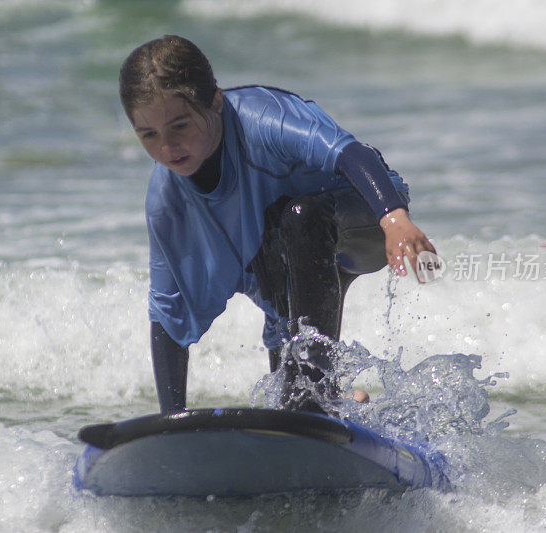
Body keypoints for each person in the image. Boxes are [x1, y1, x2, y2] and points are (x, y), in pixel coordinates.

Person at [119, 35, 437, 415]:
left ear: (216, 102)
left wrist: (394, 217)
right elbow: (168, 315)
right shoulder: (166, 203)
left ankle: (315, 399)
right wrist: (171, 422)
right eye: (149, 135)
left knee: (298, 217)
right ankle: (334, 402)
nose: (167, 148)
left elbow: (350, 152)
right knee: (285, 399)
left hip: (361, 221)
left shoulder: (262, 119)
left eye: (180, 126)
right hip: (284, 260)